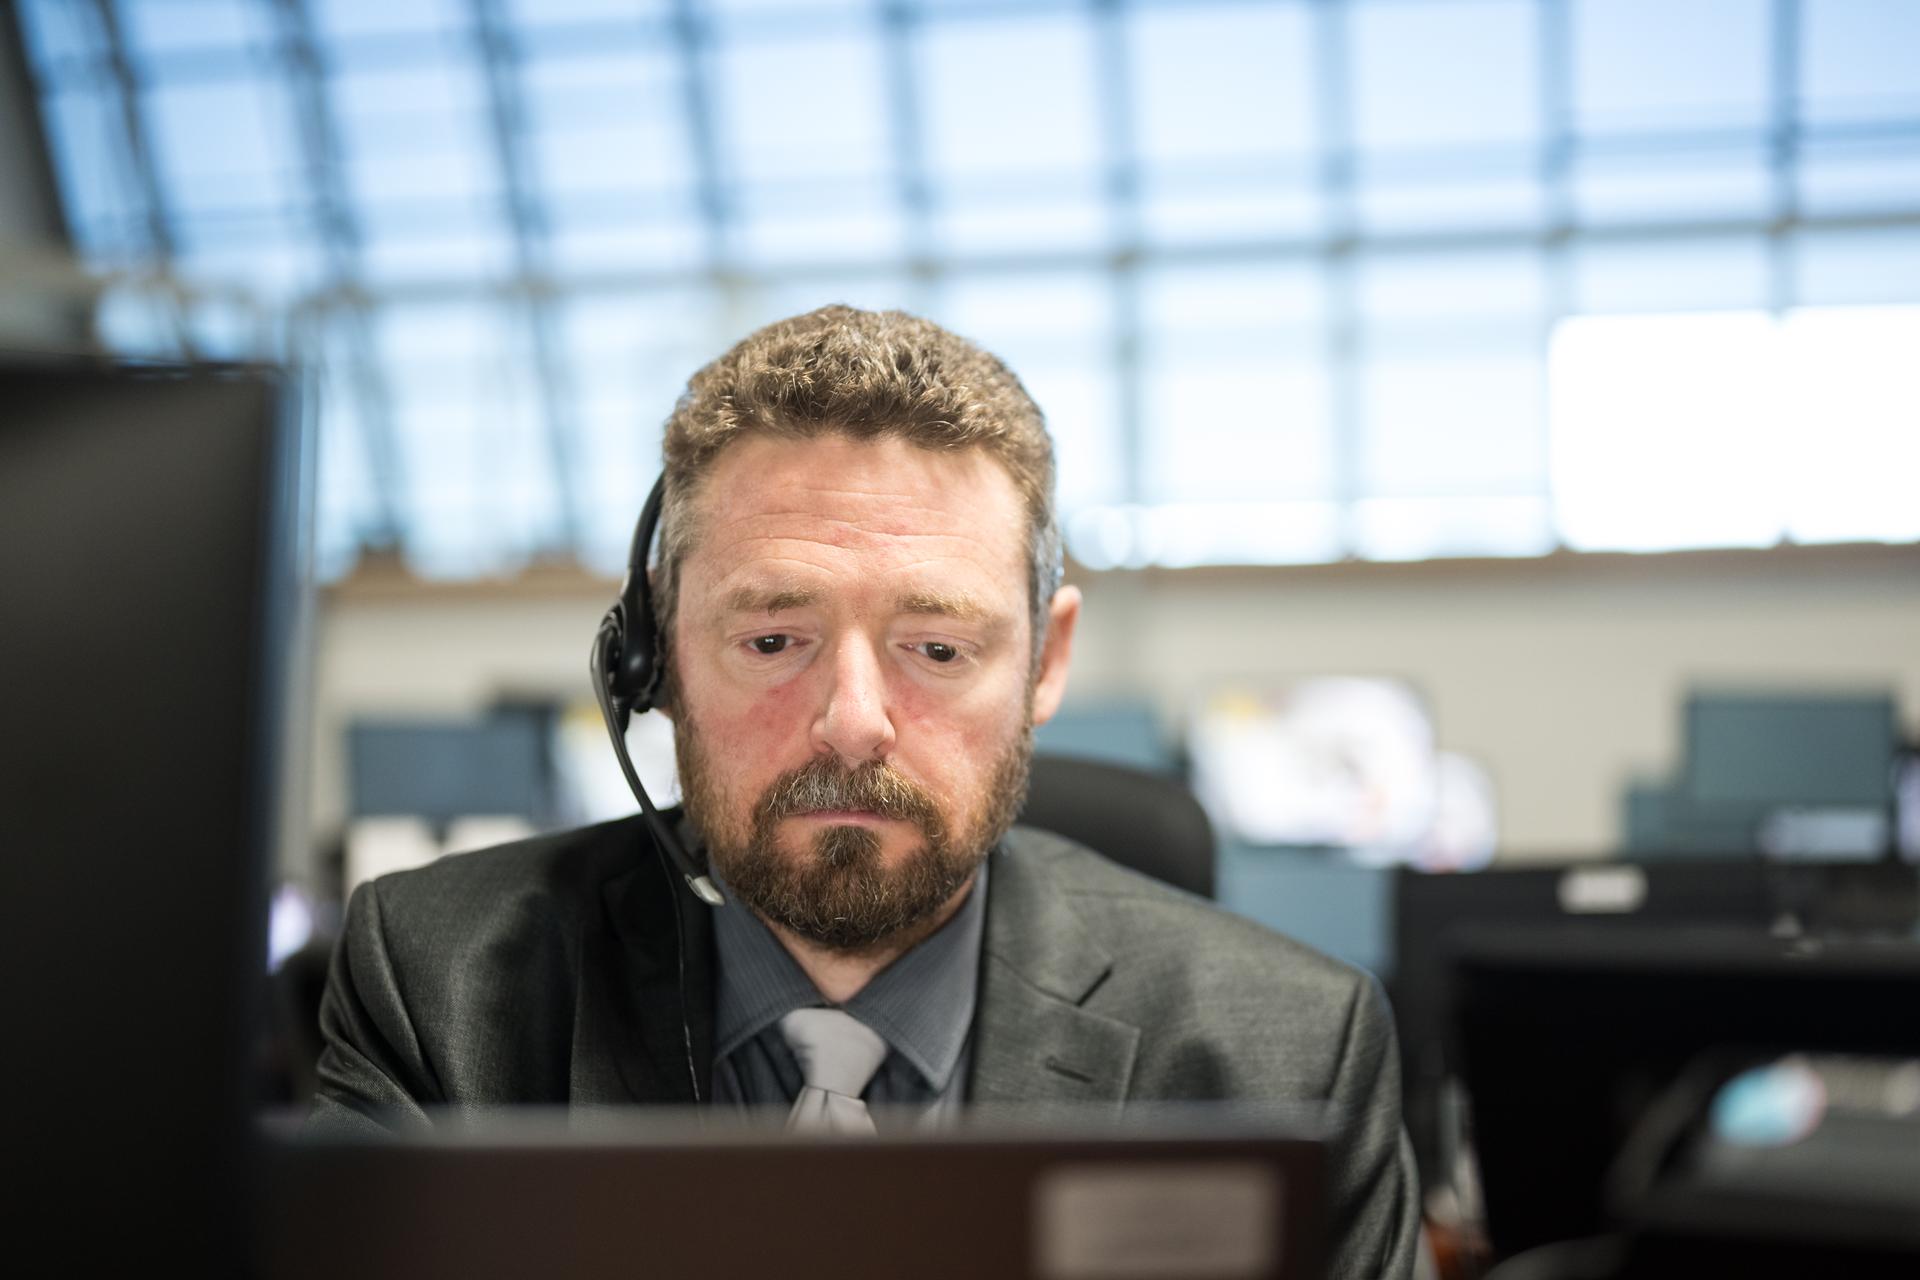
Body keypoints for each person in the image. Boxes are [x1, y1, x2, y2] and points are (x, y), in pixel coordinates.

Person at [310, 305, 1421, 1277]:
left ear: (1044, 661)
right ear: (657, 655)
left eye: (936, 648)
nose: (852, 719)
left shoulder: (1290, 1055)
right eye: (775, 636)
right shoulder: (439, 988)